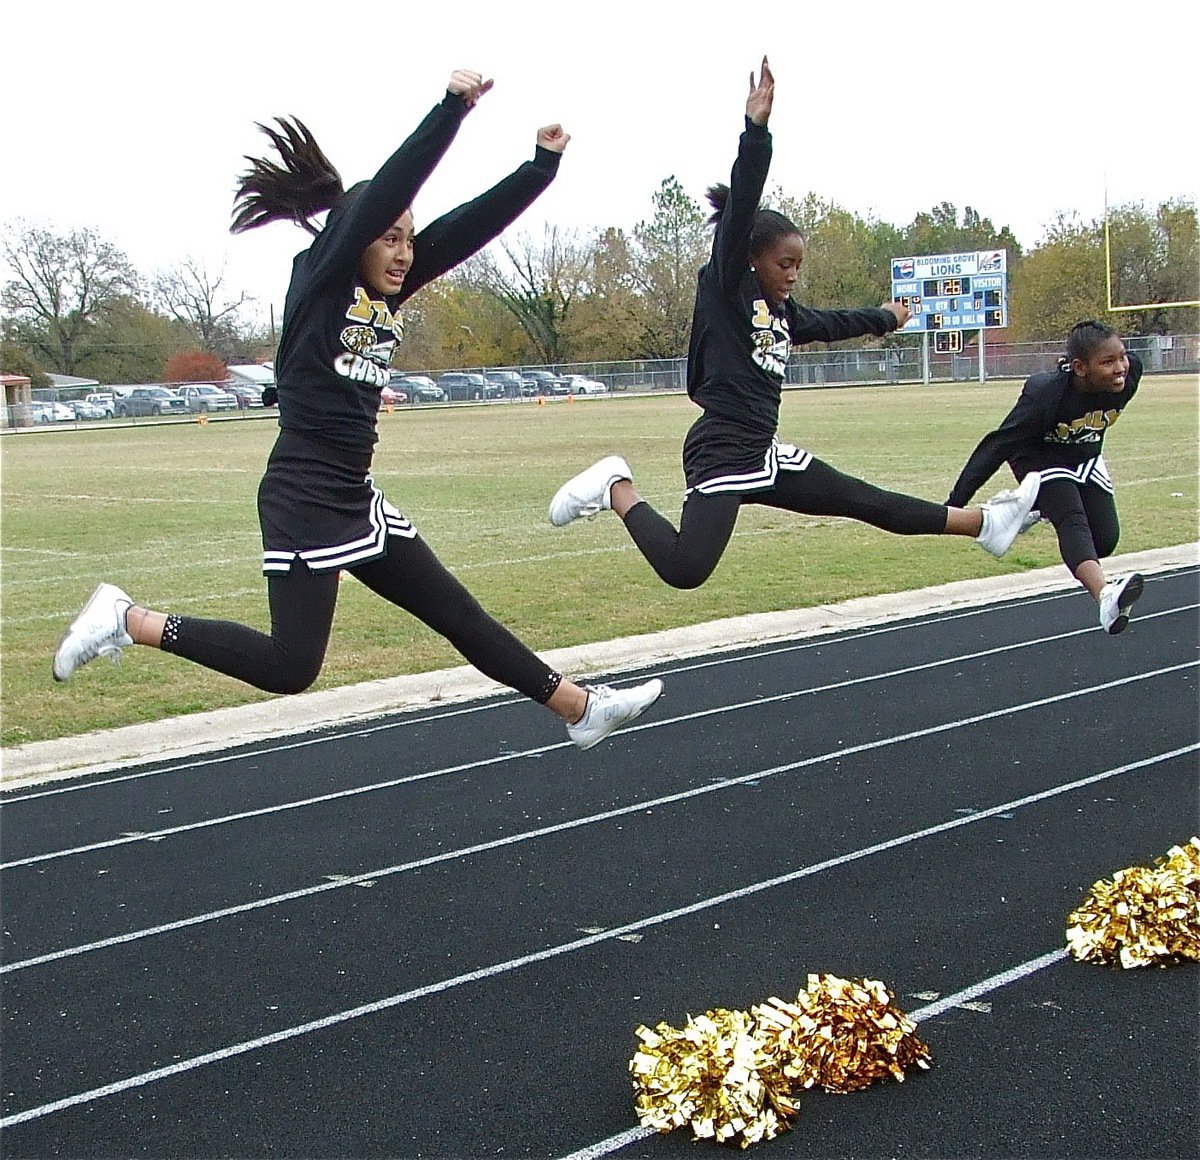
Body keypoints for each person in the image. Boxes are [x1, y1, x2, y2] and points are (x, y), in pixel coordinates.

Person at [52, 69, 662, 751]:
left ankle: (579, 708)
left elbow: (465, 230)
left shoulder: (383, 295)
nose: (404, 252)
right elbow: (393, 187)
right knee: (292, 666)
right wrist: (452, 111)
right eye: (389, 236)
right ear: (358, 234)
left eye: (408, 238)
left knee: (459, 615)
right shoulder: (321, 277)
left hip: (351, 495)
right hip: (306, 497)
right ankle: (127, 619)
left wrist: (539, 168)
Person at [548, 58, 1038, 591]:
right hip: (723, 449)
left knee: (864, 501)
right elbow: (743, 203)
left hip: (764, 450)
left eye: (799, 265)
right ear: (752, 259)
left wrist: (887, 318)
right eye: (786, 264)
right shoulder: (726, 286)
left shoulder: (782, 313)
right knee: (685, 569)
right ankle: (616, 484)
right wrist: (755, 131)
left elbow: (831, 323)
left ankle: (986, 524)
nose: (794, 275)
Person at [947, 321, 1145, 634]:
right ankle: (1106, 598)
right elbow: (997, 445)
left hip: (1085, 456)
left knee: (1103, 541)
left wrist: (1118, 362)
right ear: (1079, 368)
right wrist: (955, 503)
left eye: (1121, 357)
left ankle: (1032, 508)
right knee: (1071, 517)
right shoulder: (1046, 394)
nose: (1120, 367)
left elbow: (1122, 368)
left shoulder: (1131, 374)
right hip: (1039, 457)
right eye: (1107, 362)